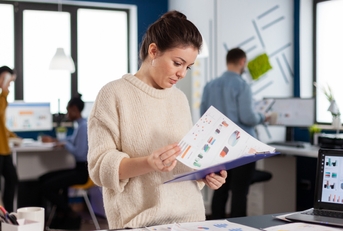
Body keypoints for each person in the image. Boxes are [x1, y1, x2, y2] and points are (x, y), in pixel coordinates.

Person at [87, 10, 227, 229]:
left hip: (192, 221)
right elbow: (99, 168)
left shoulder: (180, 99)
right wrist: (148, 163)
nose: (182, 74)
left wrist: (206, 175)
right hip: (141, 224)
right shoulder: (113, 94)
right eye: (177, 63)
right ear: (153, 50)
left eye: (188, 67)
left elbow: (184, 161)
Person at [200, 48, 269, 219]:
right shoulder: (242, 85)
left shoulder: (210, 85)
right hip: (241, 147)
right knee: (239, 193)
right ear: (242, 62)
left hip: (217, 148)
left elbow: (204, 116)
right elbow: (248, 117)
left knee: (219, 190)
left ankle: (215, 227)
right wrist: (263, 117)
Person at [39, 93, 88, 229]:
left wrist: (64, 145)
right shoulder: (79, 126)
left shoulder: (84, 127)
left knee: (46, 186)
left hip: (82, 172)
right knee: (43, 178)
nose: (67, 113)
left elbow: (79, 152)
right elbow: (70, 140)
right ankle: (62, 215)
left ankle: (70, 213)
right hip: (78, 169)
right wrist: (56, 141)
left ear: (74, 109)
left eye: (68, 110)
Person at [0, 66, 19, 212]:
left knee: (12, 179)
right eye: (8, 81)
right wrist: (5, 91)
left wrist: (14, 137)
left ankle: (9, 215)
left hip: (4, 149)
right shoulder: (2, 98)